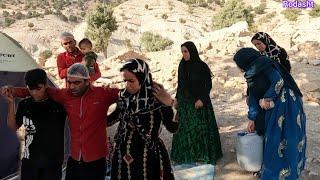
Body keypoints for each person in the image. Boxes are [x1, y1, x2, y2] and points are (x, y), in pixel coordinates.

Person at [2, 63, 119, 180]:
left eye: (77, 83)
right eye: (69, 82)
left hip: (82, 161)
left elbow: (125, 95)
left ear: (87, 81)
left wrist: (110, 119)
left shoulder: (100, 94)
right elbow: (37, 91)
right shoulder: (59, 96)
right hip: (55, 160)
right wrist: (13, 97)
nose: (72, 87)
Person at [233, 48, 306, 180]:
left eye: (238, 64)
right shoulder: (250, 74)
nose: (239, 68)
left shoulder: (265, 65)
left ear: (245, 61)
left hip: (286, 103)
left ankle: (288, 172)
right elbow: (254, 96)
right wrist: (252, 118)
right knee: (271, 138)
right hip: (272, 105)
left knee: (286, 137)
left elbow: (279, 82)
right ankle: (272, 170)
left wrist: (267, 97)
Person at [107, 59, 179, 179]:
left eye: (131, 81)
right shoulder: (124, 97)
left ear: (142, 78)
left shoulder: (157, 99)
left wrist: (171, 103)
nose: (127, 85)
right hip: (122, 155)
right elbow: (113, 118)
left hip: (148, 156)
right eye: (124, 81)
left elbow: (173, 127)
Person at [1, 69, 66, 180]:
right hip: (29, 163)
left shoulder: (58, 105)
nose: (34, 92)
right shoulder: (25, 104)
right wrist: (11, 103)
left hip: (52, 164)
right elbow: (13, 126)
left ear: (46, 85)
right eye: (30, 89)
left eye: (38, 88)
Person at [171, 41, 222, 165]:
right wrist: (177, 98)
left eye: (185, 51)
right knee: (185, 130)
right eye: (182, 52)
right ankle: (186, 155)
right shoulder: (181, 65)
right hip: (185, 104)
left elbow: (208, 85)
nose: (184, 54)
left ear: (192, 51)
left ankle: (201, 155)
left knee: (200, 130)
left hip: (199, 103)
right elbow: (180, 84)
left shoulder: (202, 66)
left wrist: (202, 100)